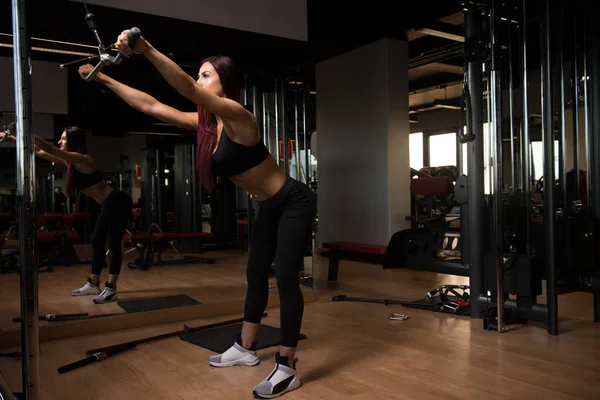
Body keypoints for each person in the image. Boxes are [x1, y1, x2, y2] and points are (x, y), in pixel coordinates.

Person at [79, 29, 316, 398]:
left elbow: (187, 88)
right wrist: (104, 77)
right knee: (255, 273)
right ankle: (246, 348)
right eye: (201, 74)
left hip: (293, 200)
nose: (201, 79)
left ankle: (287, 366)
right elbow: (151, 106)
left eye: (208, 74)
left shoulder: (240, 117)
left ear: (225, 84)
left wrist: (146, 48)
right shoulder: (208, 126)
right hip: (269, 204)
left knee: (284, 277)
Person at [0, 125, 133, 303]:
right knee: (97, 241)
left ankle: (111, 289)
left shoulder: (83, 159)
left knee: (113, 242)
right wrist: (13, 138)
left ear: (74, 141)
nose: (60, 141)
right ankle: (94, 283)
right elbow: (38, 151)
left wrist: (25, 130)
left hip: (117, 201)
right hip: (108, 203)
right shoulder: (70, 163)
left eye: (64, 138)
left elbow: (50, 148)